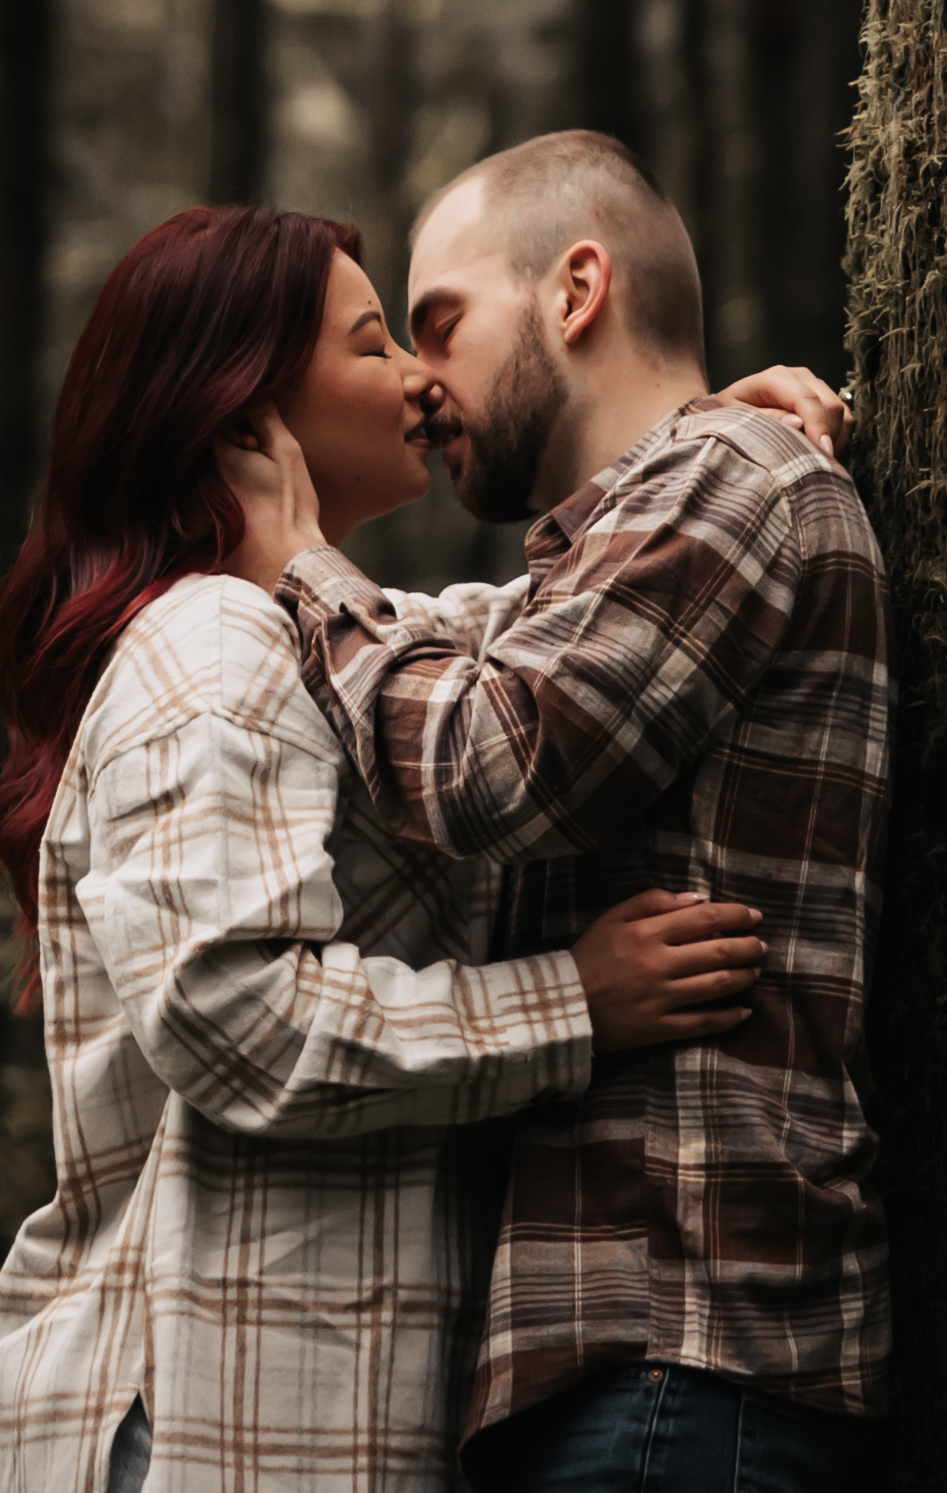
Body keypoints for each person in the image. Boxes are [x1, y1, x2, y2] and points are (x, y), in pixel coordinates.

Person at [0, 204, 817, 1493]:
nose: (423, 382)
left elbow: (536, 647)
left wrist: (691, 447)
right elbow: (231, 1011)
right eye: (376, 346)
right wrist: (573, 1003)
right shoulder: (212, 643)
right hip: (214, 1415)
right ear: (244, 413)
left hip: (295, 1407)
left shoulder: (312, 639)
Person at [239, 131, 892, 1492]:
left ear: (577, 288)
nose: (418, 384)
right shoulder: (647, 522)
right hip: (619, 1366)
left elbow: (491, 764)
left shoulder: (739, 481)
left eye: (441, 323)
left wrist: (302, 564)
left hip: (681, 1351)